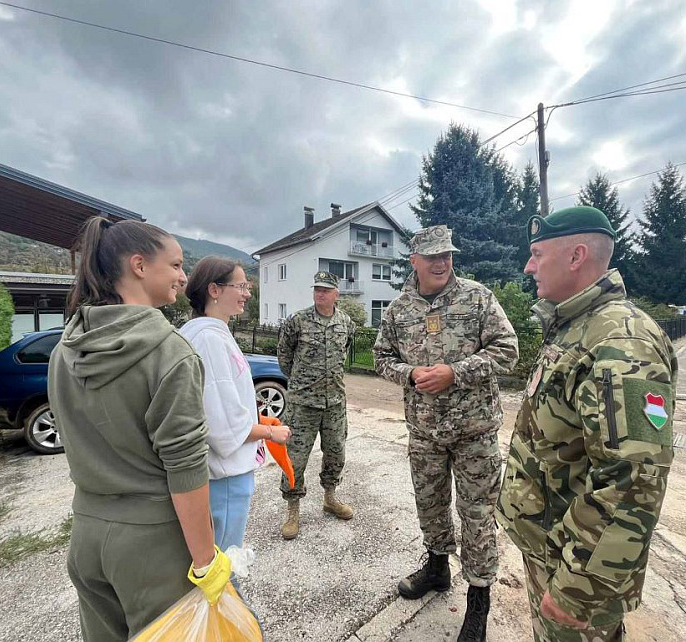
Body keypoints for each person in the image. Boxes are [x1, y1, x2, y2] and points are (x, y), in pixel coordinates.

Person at [496, 206, 678, 642]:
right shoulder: (576, 325)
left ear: (576, 256)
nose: (528, 266)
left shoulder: (619, 340)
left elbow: (632, 480)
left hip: (577, 566)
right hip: (555, 545)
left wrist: (579, 589)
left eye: (537, 254)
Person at [48, 218, 231, 642]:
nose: (184, 277)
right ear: (139, 266)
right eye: (176, 264)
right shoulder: (171, 353)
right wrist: (205, 560)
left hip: (86, 534)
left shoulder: (64, 350)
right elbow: (185, 468)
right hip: (152, 546)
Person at [373, 225, 519, 642]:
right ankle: (437, 570)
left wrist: (456, 372)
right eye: (433, 256)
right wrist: (411, 373)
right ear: (414, 261)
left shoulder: (477, 297)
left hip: (475, 432)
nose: (442, 262)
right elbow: (383, 358)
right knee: (430, 506)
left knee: (477, 517)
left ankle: (478, 602)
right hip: (424, 431)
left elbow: (507, 350)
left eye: (448, 255)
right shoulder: (399, 309)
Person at [180, 257, 292, 550]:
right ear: (214, 290)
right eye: (241, 286)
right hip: (225, 474)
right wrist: (269, 433)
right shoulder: (209, 340)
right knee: (224, 558)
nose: (247, 293)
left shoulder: (210, 333)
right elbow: (222, 424)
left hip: (224, 471)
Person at [276, 271, 357, 540]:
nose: (320, 293)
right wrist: (301, 383)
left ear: (336, 294)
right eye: (317, 289)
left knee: (336, 453)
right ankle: (293, 510)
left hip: (334, 401)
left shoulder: (346, 322)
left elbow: (344, 351)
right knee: (295, 459)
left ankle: (330, 498)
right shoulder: (297, 321)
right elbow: (284, 356)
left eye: (325, 290)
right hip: (302, 404)